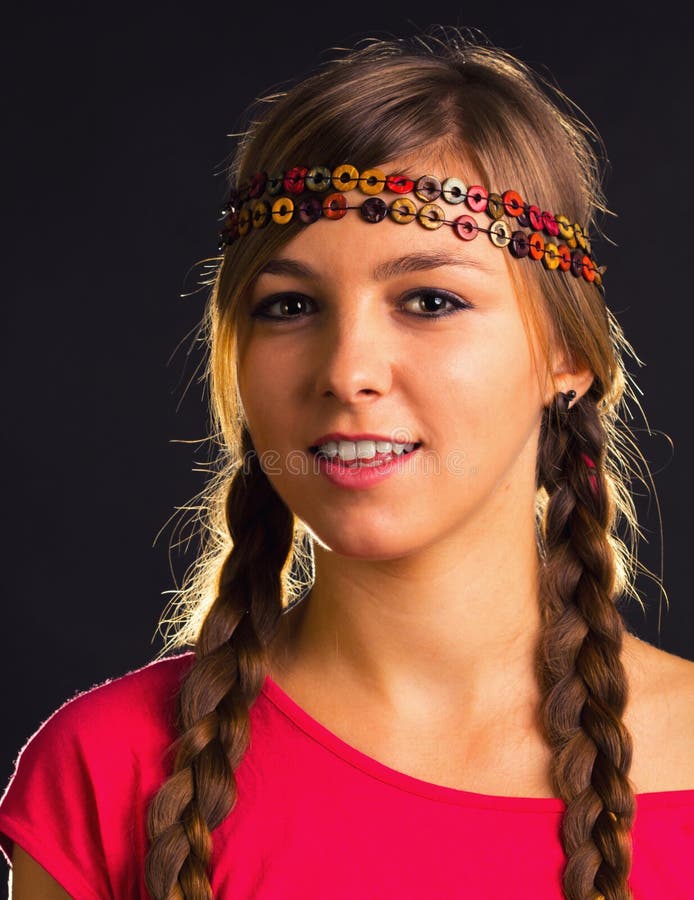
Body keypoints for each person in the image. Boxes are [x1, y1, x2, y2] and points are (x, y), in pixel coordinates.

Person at [1, 25, 693, 900]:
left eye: (430, 300)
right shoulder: (109, 772)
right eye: (289, 305)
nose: (346, 371)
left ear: (567, 354)